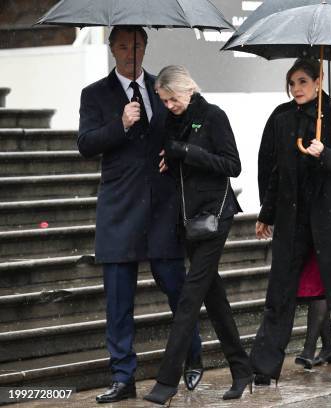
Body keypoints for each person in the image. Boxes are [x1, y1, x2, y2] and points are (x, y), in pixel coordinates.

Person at [77, 27, 202, 404]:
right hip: (119, 211)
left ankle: (192, 358)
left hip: (162, 209)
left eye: (137, 44)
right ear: (112, 48)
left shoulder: (163, 87)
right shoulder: (95, 94)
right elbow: (85, 144)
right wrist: (122, 124)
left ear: (145, 46)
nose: (131, 51)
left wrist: (178, 149)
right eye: (123, 45)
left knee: (178, 291)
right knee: (118, 302)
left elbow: (196, 123)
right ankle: (122, 377)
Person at [251, 58, 331, 384]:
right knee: (280, 293)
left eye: (302, 82)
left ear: (318, 81)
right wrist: (267, 212)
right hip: (293, 219)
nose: (296, 89)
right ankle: (264, 367)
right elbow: (275, 170)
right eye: (292, 83)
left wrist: (325, 153)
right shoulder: (282, 118)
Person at [143, 65, 252, 405]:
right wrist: (172, 160)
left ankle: (166, 382)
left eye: (172, 99)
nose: (169, 105)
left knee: (190, 298)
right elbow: (180, 165)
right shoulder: (173, 121)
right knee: (214, 298)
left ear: (187, 90)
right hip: (189, 221)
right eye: (164, 100)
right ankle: (242, 370)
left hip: (216, 218)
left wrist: (185, 152)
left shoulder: (213, 116)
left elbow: (232, 165)